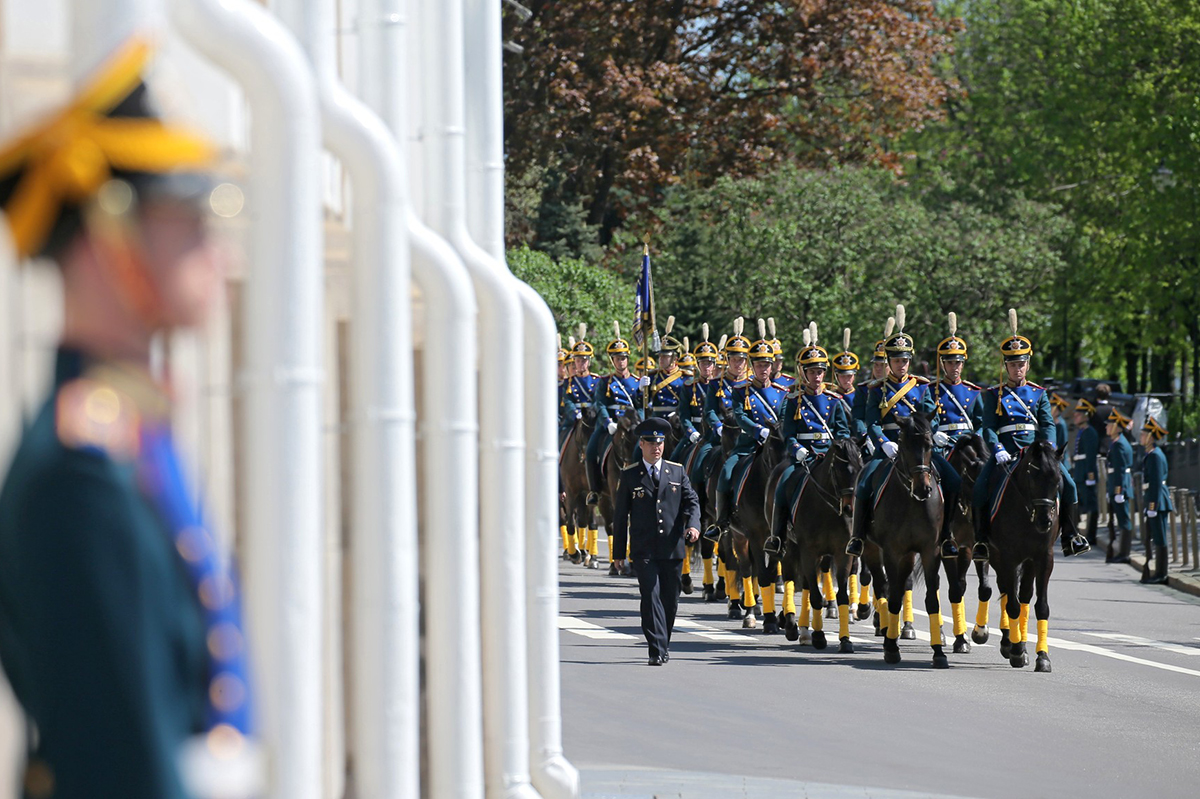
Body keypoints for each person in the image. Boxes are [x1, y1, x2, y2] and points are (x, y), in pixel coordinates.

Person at [0, 39, 258, 798]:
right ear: (109, 236)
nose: (224, 257)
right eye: (193, 220)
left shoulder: (125, 438)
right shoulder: (84, 472)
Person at [971, 310, 1090, 562]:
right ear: (1006, 366)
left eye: (1021, 363)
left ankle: (1071, 534)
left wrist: (1047, 446)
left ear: (1028, 364)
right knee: (980, 486)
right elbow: (989, 427)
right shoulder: (993, 394)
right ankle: (981, 540)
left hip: (1036, 451)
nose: (1018, 368)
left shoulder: (1039, 394)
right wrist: (996, 447)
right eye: (1013, 364)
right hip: (1006, 452)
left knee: (1068, 483)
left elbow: (1047, 424)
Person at [846, 306, 962, 559]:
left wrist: (936, 432)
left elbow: (932, 415)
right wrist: (882, 442)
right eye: (897, 360)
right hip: (890, 447)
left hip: (919, 448)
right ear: (889, 362)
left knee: (953, 481)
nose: (902, 365)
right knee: (864, 484)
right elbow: (872, 421)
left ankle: (946, 536)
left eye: (905, 360)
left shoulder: (921, 387)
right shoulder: (877, 389)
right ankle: (857, 537)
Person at [611, 418, 701, 665]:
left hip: (672, 548)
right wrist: (618, 554)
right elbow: (620, 518)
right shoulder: (630, 476)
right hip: (644, 550)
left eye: (660, 442)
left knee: (670, 601)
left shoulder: (677, 471)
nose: (656, 447)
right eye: (651, 443)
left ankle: (664, 643)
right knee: (650, 597)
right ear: (641, 444)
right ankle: (656, 649)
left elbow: (691, 502)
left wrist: (693, 525)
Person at [767, 327, 850, 555]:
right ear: (803, 373)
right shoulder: (793, 400)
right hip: (804, 455)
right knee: (782, 482)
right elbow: (788, 432)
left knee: (854, 482)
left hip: (830, 453)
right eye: (812, 372)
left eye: (820, 372)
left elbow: (842, 431)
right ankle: (777, 536)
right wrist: (797, 449)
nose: (817, 376)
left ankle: (858, 533)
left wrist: (839, 450)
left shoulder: (834, 400)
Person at [707, 320, 789, 539]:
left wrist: (775, 434)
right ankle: (722, 520)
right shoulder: (741, 391)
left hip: (776, 446)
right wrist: (757, 431)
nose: (763, 369)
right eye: (759, 365)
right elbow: (740, 417)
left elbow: (783, 417)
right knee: (725, 473)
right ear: (753, 366)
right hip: (747, 446)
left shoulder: (782, 392)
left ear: (772, 367)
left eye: (767, 365)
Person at [585, 322, 641, 506]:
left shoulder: (637, 381)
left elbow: (641, 406)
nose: (621, 362)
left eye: (623, 358)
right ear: (612, 360)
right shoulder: (605, 381)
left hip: (631, 425)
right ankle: (595, 490)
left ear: (628, 359)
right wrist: (607, 422)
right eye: (617, 358)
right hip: (610, 426)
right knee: (591, 451)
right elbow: (599, 403)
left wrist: (643, 392)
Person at [1139, 417, 1173, 584]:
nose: (1141, 436)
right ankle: (1158, 572)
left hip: (1158, 502)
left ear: (1151, 437)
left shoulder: (1155, 456)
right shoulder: (1151, 454)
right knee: (1156, 537)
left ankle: (1161, 573)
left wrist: (1152, 505)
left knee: (1159, 538)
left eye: (1143, 434)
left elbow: (1156, 483)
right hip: (1155, 500)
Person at [1105, 408, 1135, 564]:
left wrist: (1118, 490)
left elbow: (1121, 470)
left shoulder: (1119, 445)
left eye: (1109, 424)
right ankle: (1122, 552)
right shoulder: (1117, 443)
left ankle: (1124, 553)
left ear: (1116, 426)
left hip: (1120, 488)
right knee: (1121, 519)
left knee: (1124, 520)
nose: (1106, 427)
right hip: (1118, 486)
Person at [1072, 397, 1101, 545]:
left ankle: (1091, 534)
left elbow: (1090, 456)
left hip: (1085, 473)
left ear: (1085, 416)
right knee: (1079, 503)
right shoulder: (1082, 431)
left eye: (1078, 414)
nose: (1075, 416)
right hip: (1079, 472)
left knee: (1091, 504)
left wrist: (1090, 475)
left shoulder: (1090, 432)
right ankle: (1077, 532)